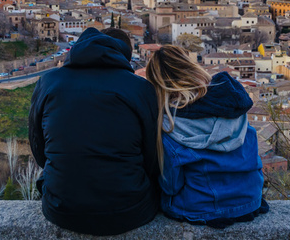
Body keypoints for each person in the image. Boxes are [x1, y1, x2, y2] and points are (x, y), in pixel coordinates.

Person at [29, 27, 160, 236]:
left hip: (61, 208)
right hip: (130, 210)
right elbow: (152, 156)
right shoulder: (140, 89)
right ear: (123, 55)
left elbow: (38, 148)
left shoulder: (48, 82)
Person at [145, 45, 268, 229]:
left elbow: (171, 186)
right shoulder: (232, 104)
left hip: (201, 209)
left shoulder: (170, 124)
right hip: (250, 201)